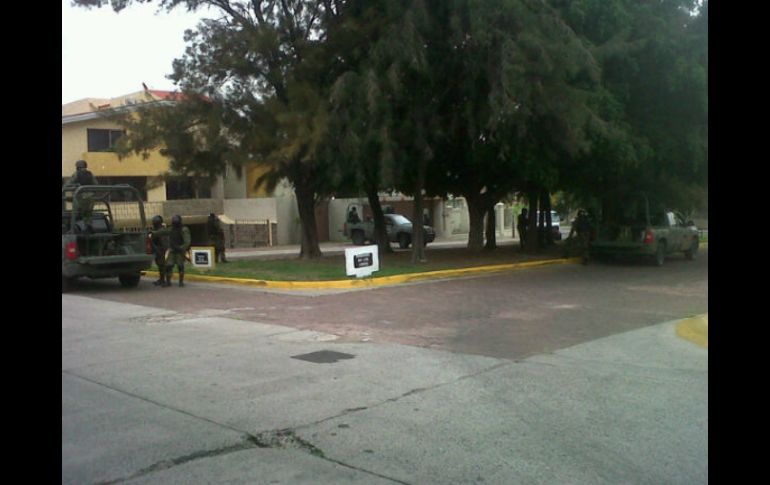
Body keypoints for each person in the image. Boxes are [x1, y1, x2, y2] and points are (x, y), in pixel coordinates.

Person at [165, 214, 191, 287]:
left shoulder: (184, 229)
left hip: (180, 251)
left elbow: (187, 242)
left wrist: (181, 248)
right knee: (168, 266)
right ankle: (168, 281)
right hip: (172, 250)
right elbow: (164, 233)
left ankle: (181, 282)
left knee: (180, 266)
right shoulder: (171, 229)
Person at [150, 215, 170, 286]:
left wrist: (160, 250)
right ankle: (162, 279)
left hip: (162, 251)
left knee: (163, 265)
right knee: (160, 265)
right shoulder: (157, 230)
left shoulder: (161, 231)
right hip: (159, 250)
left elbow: (164, 243)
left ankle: (164, 280)